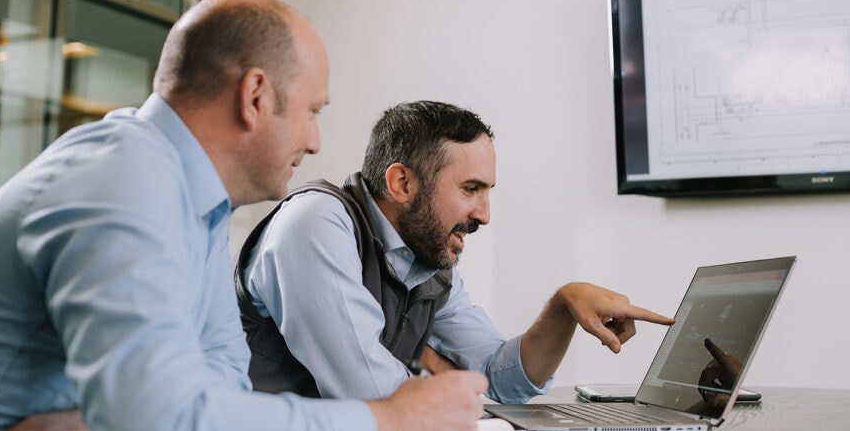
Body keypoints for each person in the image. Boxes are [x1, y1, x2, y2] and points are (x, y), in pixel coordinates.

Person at [0, 0, 487, 431]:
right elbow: (159, 419)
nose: (315, 140)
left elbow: (220, 380)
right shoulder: (126, 178)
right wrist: (384, 419)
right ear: (255, 96)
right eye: (312, 111)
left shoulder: (198, 203)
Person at [236, 100, 676, 402]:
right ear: (402, 184)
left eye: (488, 192)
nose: (484, 215)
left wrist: (563, 306)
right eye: (470, 190)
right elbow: (371, 394)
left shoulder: (423, 265)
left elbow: (499, 379)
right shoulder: (316, 223)